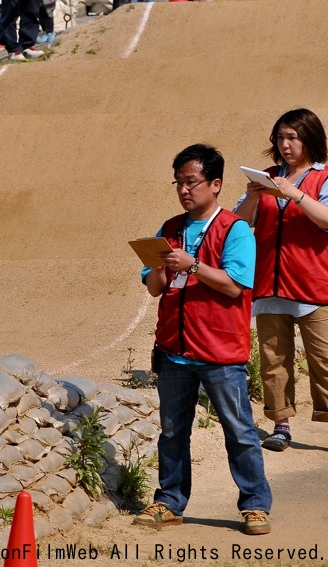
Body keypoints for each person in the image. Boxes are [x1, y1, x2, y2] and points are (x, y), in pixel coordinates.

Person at [136, 143, 272, 536]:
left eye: (191, 182)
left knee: (240, 431)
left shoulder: (236, 229)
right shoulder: (170, 228)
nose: (183, 190)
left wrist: (193, 264)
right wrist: (160, 269)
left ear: (215, 184)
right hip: (174, 350)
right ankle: (169, 502)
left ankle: (256, 505)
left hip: (220, 352)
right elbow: (154, 288)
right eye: (178, 182)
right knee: (173, 431)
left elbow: (234, 286)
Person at [233, 109, 328, 452]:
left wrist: (295, 194)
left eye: (293, 137)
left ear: (310, 139)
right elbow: (237, 224)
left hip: (315, 284)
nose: (285, 145)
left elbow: (326, 220)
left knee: (324, 359)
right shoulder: (268, 177)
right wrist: (256, 195)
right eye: (280, 138)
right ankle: (280, 425)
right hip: (271, 283)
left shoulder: (324, 176)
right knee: (274, 361)